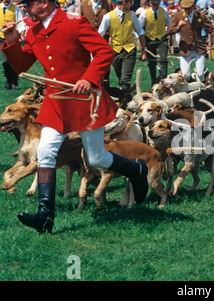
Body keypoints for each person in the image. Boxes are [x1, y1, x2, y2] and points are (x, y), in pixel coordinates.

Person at [1, 0, 149, 234]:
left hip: (84, 102)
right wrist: (11, 41)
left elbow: (104, 52)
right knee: (46, 152)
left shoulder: (75, 22)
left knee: (96, 158)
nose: (25, 8)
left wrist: (89, 79)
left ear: (44, 3)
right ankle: (45, 215)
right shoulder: (34, 30)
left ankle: (137, 171)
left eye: (28, 4)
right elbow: (21, 65)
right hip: (55, 103)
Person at [97, 0, 146, 92]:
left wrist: (143, 51)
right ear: (124, 3)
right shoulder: (108, 17)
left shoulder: (132, 16)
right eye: (130, 2)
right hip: (115, 51)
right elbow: (100, 35)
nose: (131, 5)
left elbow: (140, 32)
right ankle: (126, 96)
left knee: (125, 80)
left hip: (130, 50)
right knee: (120, 78)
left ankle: (125, 102)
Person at [166, 0, 214, 82]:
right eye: (185, 8)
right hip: (185, 49)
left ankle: (201, 88)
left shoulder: (201, 15)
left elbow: (212, 30)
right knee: (185, 76)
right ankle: (190, 90)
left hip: (199, 49)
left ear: (194, 6)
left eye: (189, 8)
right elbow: (169, 31)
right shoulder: (178, 16)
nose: (187, 10)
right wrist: (178, 28)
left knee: (200, 74)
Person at [139, 0, 170, 85]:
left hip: (162, 38)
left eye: (157, 4)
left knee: (163, 59)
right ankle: (153, 82)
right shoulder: (144, 13)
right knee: (152, 62)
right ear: (150, 3)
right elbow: (139, 28)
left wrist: (170, 36)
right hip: (149, 39)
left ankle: (163, 80)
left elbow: (169, 24)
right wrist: (143, 44)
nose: (156, 6)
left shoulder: (164, 11)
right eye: (154, 4)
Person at [1, 0, 25, 90]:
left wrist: (22, 35)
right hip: (1, 38)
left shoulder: (16, 9)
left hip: (12, 38)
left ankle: (14, 82)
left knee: (13, 61)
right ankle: (8, 79)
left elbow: (20, 23)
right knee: (5, 62)